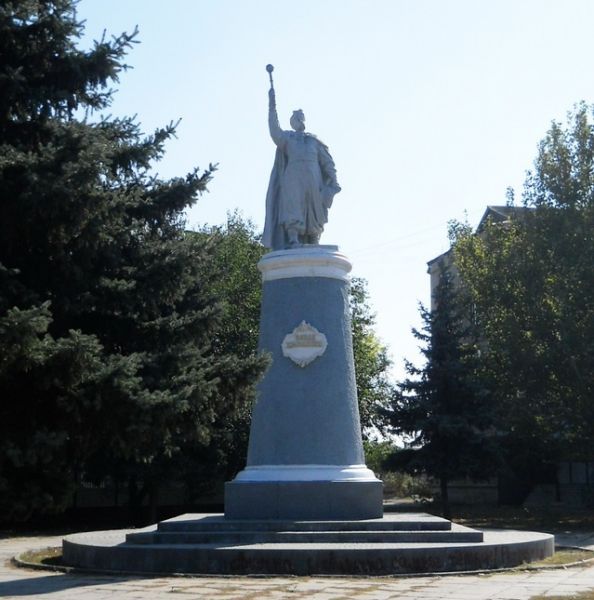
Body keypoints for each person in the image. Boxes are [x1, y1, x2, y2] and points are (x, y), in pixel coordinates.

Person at [262, 87, 341, 250]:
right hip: (293, 177)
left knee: (314, 207)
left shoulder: (313, 141)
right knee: (294, 206)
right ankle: (293, 238)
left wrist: (333, 181)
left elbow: (327, 162)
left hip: (313, 177)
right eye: (297, 118)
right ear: (293, 122)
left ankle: (313, 238)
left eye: (301, 117)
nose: (300, 121)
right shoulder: (288, 139)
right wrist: (272, 106)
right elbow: (274, 130)